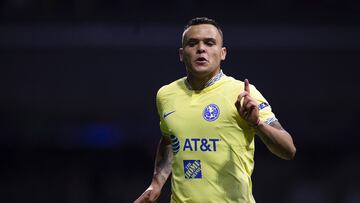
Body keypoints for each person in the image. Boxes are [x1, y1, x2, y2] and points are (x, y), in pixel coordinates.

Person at [134, 17, 296, 203]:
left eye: (209, 43)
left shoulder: (243, 94)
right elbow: (170, 139)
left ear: (222, 53)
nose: (201, 48)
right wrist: (156, 183)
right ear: (181, 53)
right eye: (192, 43)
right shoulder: (166, 95)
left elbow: (288, 150)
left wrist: (257, 124)